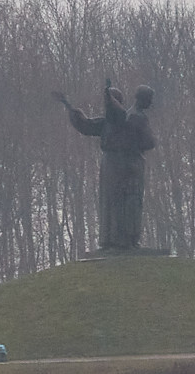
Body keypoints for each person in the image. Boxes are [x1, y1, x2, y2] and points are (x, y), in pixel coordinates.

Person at [57, 81, 158, 250]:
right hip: (118, 165)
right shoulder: (121, 120)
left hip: (123, 164)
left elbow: (146, 140)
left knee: (123, 201)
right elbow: (87, 124)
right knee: (113, 201)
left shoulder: (125, 119)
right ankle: (114, 239)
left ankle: (123, 239)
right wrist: (68, 105)